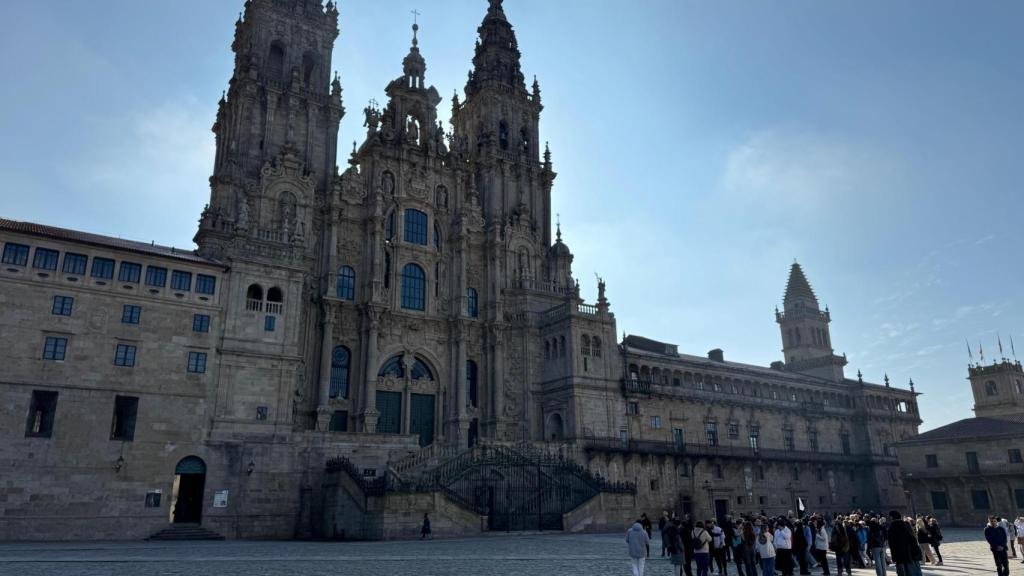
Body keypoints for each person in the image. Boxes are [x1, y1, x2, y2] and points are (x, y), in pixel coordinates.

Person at [886, 511, 922, 576]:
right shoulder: (906, 524)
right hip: (909, 553)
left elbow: (891, 543)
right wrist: (916, 551)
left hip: (899, 554)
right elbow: (912, 539)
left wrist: (893, 555)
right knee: (911, 571)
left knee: (902, 571)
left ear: (891, 517)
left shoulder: (892, 527)